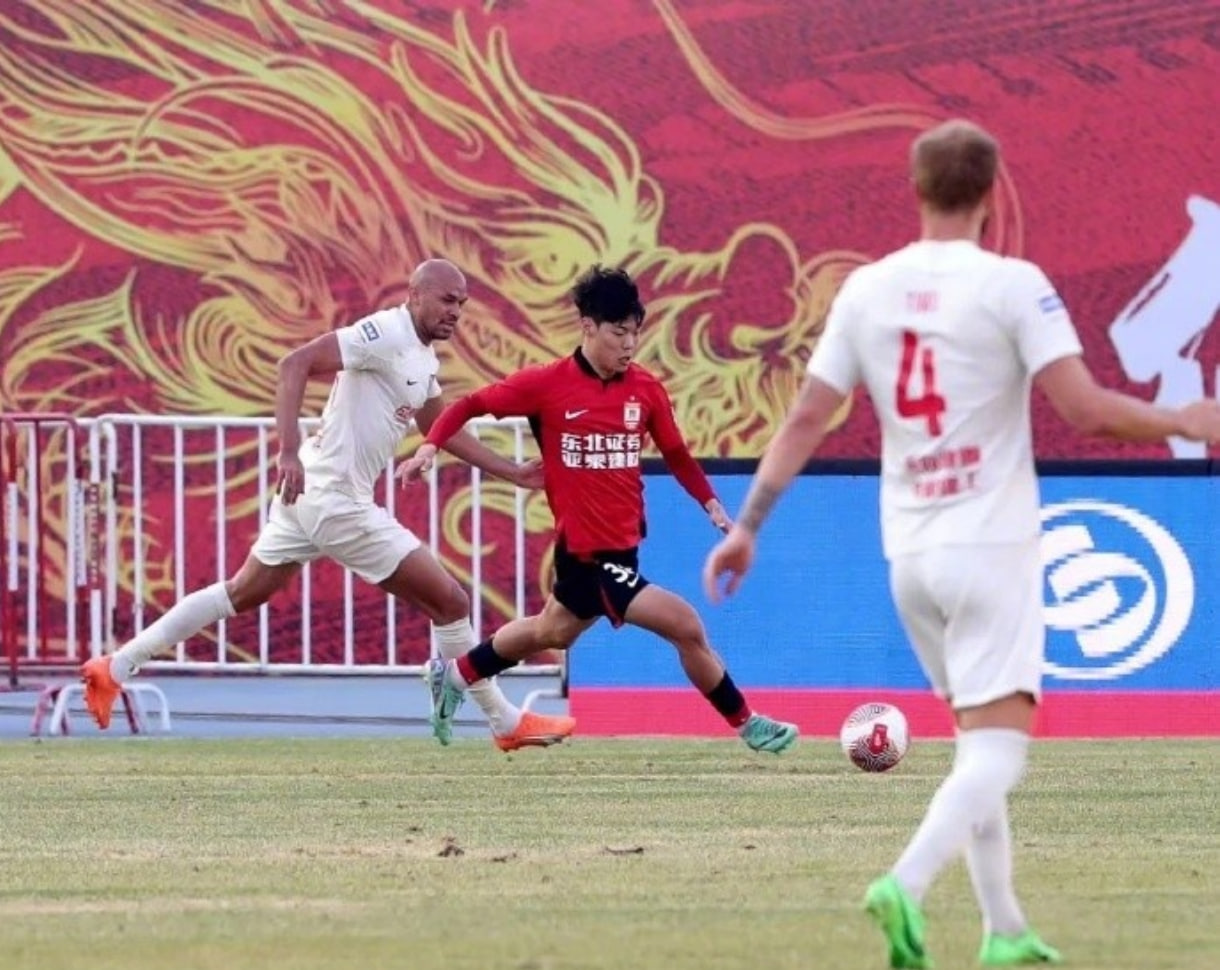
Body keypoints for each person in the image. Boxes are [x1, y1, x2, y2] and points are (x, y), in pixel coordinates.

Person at [703, 119, 1220, 968]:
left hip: (910, 557)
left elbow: (806, 418)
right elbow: (1084, 408)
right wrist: (1185, 419)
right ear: (990, 194)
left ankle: (1004, 929)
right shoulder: (1012, 285)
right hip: (991, 546)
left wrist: (748, 526)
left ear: (914, 188)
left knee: (976, 744)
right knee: (1000, 751)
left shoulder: (867, 289)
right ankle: (904, 883)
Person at [81, 259, 576, 752]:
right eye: (447, 300)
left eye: (461, 304)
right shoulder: (385, 332)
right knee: (451, 604)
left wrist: (511, 472)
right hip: (334, 500)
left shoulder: (423, 359)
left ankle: (115, 666)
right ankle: (502, 719)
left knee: (241, 592)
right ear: (415, 294)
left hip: (310, 497)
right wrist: (286, 451)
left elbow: (437, 426)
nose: (456, 312)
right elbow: (293, 364)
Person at [399, 265, 798, 754]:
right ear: (588, 326)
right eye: (618, 333)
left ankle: (456, 675)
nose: (628, 344)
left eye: (634, 333)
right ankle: (748, 725)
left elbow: (676, 454)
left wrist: (711, 504)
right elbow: (468, 406)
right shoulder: (547, 385)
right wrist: (429, 447)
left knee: (551, 632)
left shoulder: (645, 389)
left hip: (622, 549)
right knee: (686, 625)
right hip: (587, 555)